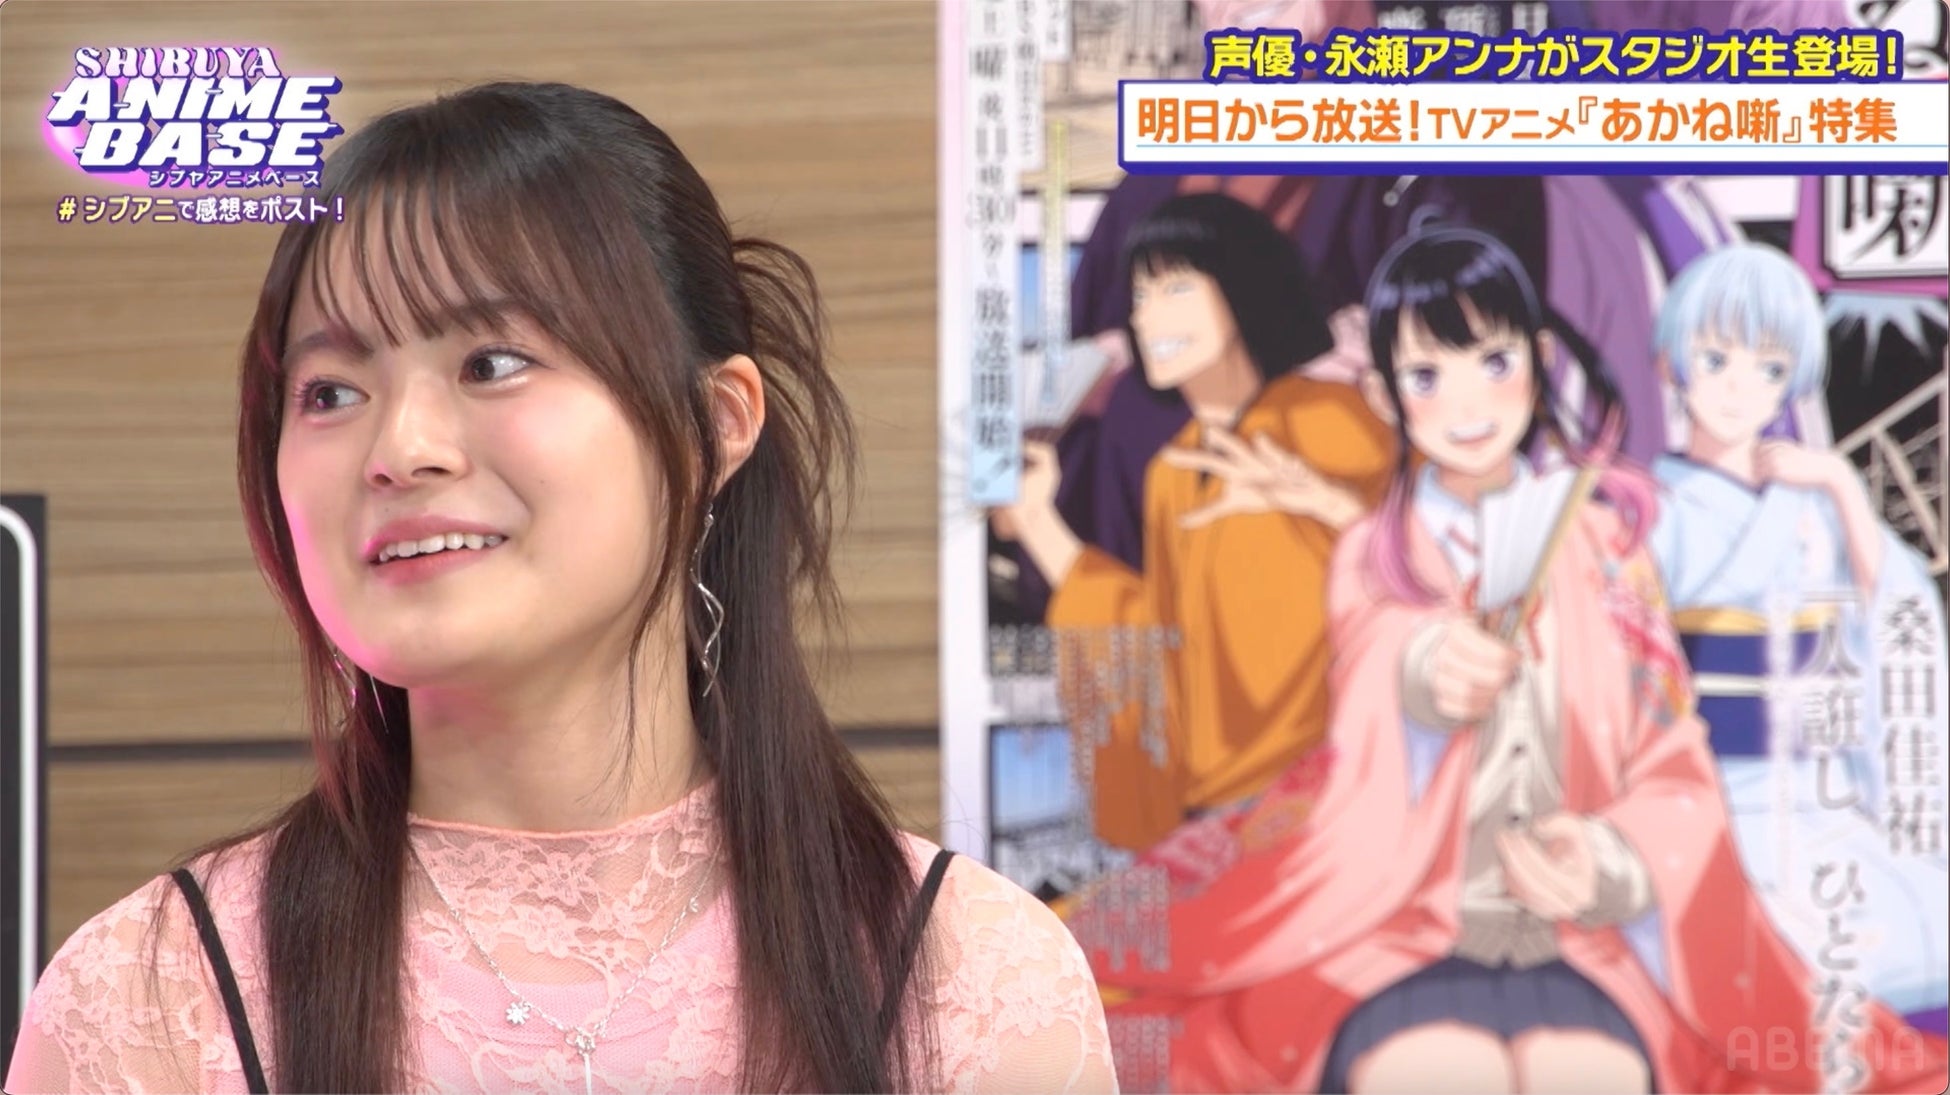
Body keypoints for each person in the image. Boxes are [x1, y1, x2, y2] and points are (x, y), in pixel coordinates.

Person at [4, 82, 1115, 1095]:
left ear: (715, 424)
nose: (401, 448)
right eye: (331, 390)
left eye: (491, 363)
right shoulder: (151, 1002)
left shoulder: (969, 982)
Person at [1077, 227, 1948, 1093]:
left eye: (1493, 362)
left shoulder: (1606, 545)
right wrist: (1422, 668)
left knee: (1584, 1073)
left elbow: (1672, 757)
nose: (1467, 404)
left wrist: (1610, 856)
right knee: (1428, 1072)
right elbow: (1363, 715)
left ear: (1538, 361)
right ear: (1384, 393)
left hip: (1585, 935)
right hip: (1401, 922)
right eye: (1426, 376)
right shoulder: (1374, 554)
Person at [996, 193, 1396, 854]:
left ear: (1241, 288)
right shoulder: (1173, 473)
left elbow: (1415, 573)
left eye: (1176, 287)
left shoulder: (1331, 418)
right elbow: (1158, 645)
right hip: (1216, 816)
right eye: (1140, 295)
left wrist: (1321, 500)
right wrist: (1038, 519)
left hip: (1335, 796)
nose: (1147, 314)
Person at [1647, 242, 1950, 1036]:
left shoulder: (1814, 505)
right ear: (1672, 364)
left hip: (1820, 789)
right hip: (1704, 794)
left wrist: (1844, 490)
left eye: (1768, 367)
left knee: (1922, 920)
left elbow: (1898, 619)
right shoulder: (1652, 512)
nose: (1739, 385)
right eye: (1716, 359)